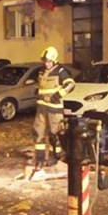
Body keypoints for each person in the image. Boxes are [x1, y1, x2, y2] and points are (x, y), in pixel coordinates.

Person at [28, 46, 76, 179]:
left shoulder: (60, 71)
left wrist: (59, 94)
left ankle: (56, 157)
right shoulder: (42, 71)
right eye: (45, 61)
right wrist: (38, 91)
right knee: (38, 133)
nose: (46, 64)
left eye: (49, 61)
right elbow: (41, 86)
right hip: (41, 108)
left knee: (56, 134)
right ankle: (40, 159)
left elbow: (71, 84)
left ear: (54, 60)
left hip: (54, 109)